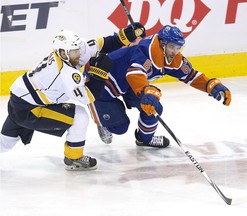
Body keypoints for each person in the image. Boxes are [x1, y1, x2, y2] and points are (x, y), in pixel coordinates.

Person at [0, 23, 146, 170]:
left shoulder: (72, 52)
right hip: (29, 110)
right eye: (74, 51)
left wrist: (127, 35)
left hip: (19, 100)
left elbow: (101, 44)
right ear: (63, 53)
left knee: (5, 142)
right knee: (79, 116)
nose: (79, 54)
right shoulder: (65, 74)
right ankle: (73, 158)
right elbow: (88, 98)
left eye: (77, 49)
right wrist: (99, 75)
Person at [85, 25, 231, 148]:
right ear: (162, 43)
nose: (175, 52)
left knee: (153, 107)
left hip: (128, 84)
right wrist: (146, 90)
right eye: (172, 47)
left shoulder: (171, 56)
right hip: (102, 82)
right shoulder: (145, 52)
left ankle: (144, 139)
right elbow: (134, 73)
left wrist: (210, 85)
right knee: (120, 127)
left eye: (178, 48)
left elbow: (190, 75)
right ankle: (101, 119)